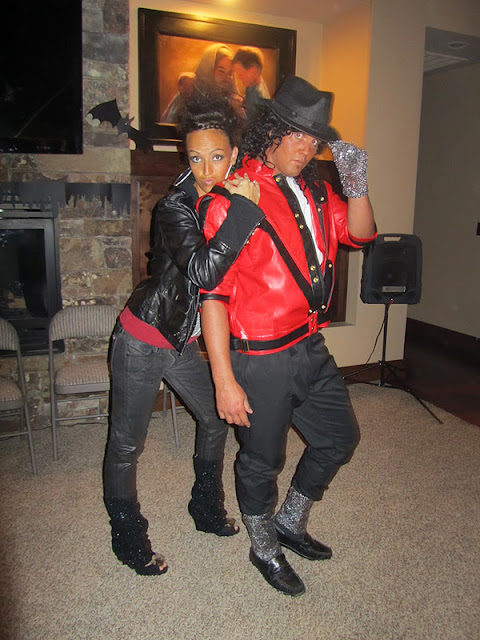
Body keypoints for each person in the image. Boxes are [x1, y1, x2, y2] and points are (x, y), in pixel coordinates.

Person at [199, 76, 377, 596]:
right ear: (270, 131)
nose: (305, 147)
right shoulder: (236, 196)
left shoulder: (318, 192)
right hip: (259, 357)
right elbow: (213, 295)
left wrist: (356, 184)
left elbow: (361, 234)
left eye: (313, 139)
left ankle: (290, 521)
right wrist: (224, 380)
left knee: (340, 438)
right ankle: (263, 545)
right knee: (263, 461)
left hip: (310, 345)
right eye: (296, 134)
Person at [103, 91, 263, 576]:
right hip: (142, 337)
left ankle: (205, 507)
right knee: (127, 444)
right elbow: (204, 272)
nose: (206, 169)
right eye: (195, 158)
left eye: (217, 157)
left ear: (233, 154)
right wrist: (245, 211)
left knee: (214, 419)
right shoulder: (175, 206)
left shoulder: (223, 193)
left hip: (178, 340)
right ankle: (127, 536)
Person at [232, 47, 270, 121]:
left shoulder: (257, 95)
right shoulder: (252, 87)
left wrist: (237, 111)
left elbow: (250, 123)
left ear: (253, 71)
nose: (238, 77)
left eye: (241, 73)